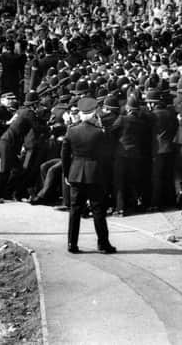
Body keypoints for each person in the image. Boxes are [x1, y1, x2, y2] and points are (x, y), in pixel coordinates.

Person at [61, 97, 116, 254]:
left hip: (76, 173)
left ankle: (72, 243)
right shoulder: (99, 132)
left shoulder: (72, 130)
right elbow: (107, 155)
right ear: (94, 113)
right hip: (95, 174)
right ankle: (103, 244)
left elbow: (65, 154)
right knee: (98, 210)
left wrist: (67, 173)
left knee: (75, 210)